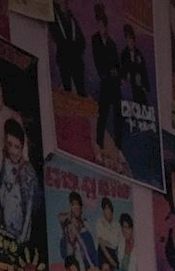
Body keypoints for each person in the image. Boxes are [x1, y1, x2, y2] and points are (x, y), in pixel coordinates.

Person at [0, 118, 39, 244]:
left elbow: (29, 208)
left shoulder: (27, 171)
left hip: (20, 235)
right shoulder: (4, 162)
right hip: (6, 230)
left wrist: (23, 236)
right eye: (9, 144)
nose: (12, 151)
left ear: (22, 148)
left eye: (17, 147)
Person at [91, 3, 124, 161]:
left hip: (114, 84)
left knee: (118, 115)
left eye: (103, 25)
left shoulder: (112, 43)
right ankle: (99, 144)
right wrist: (106, 73)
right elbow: (97, 59)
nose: (101, 28)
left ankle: (118, 147)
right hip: (105, 82)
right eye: (99, 25)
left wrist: (116, 73)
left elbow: (118, 64)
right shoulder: (95, 40)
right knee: (102, 114)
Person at [51, 0, 87, 96]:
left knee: (80, 89)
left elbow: (82, 40)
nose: (64, 4)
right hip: (64, 58)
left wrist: (76, 49)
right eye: (62, 2)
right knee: (67, 88)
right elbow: (56, 36)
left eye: (65, 2)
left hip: (76, 59)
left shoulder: (71, 18)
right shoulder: (55, 18)